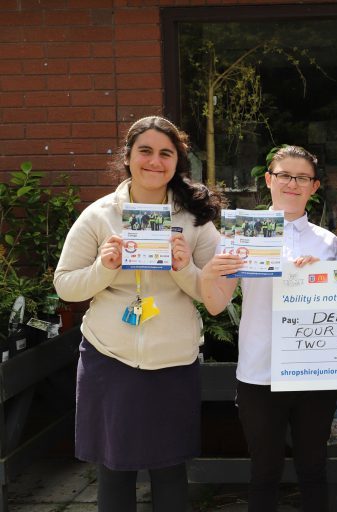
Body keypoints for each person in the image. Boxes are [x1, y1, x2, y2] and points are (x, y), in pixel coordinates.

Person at [53, 116, 225, 512]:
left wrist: (185, 269)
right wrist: (104, 268)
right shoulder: (99, 215)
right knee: (114, 471)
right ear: (127, 157)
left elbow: (214, 294)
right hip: (110, 358)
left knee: (170, 472)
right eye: (144, 151)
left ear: (177, 162)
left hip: (173, 360)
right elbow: (65, 284)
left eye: (166, 153)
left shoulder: (194, 218)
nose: (154, 161)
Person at [200, 145, 337, 512]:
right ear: (269, 180)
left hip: (315, 373)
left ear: (314, 187)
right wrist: (209, 273)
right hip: (258, 370)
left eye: (302, 178)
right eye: (284, 175)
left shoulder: (328, 243)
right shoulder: (243, 234)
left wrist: (321, 276)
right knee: (264, 471)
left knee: (314, 469)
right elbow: (217, 304)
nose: (292, 184)